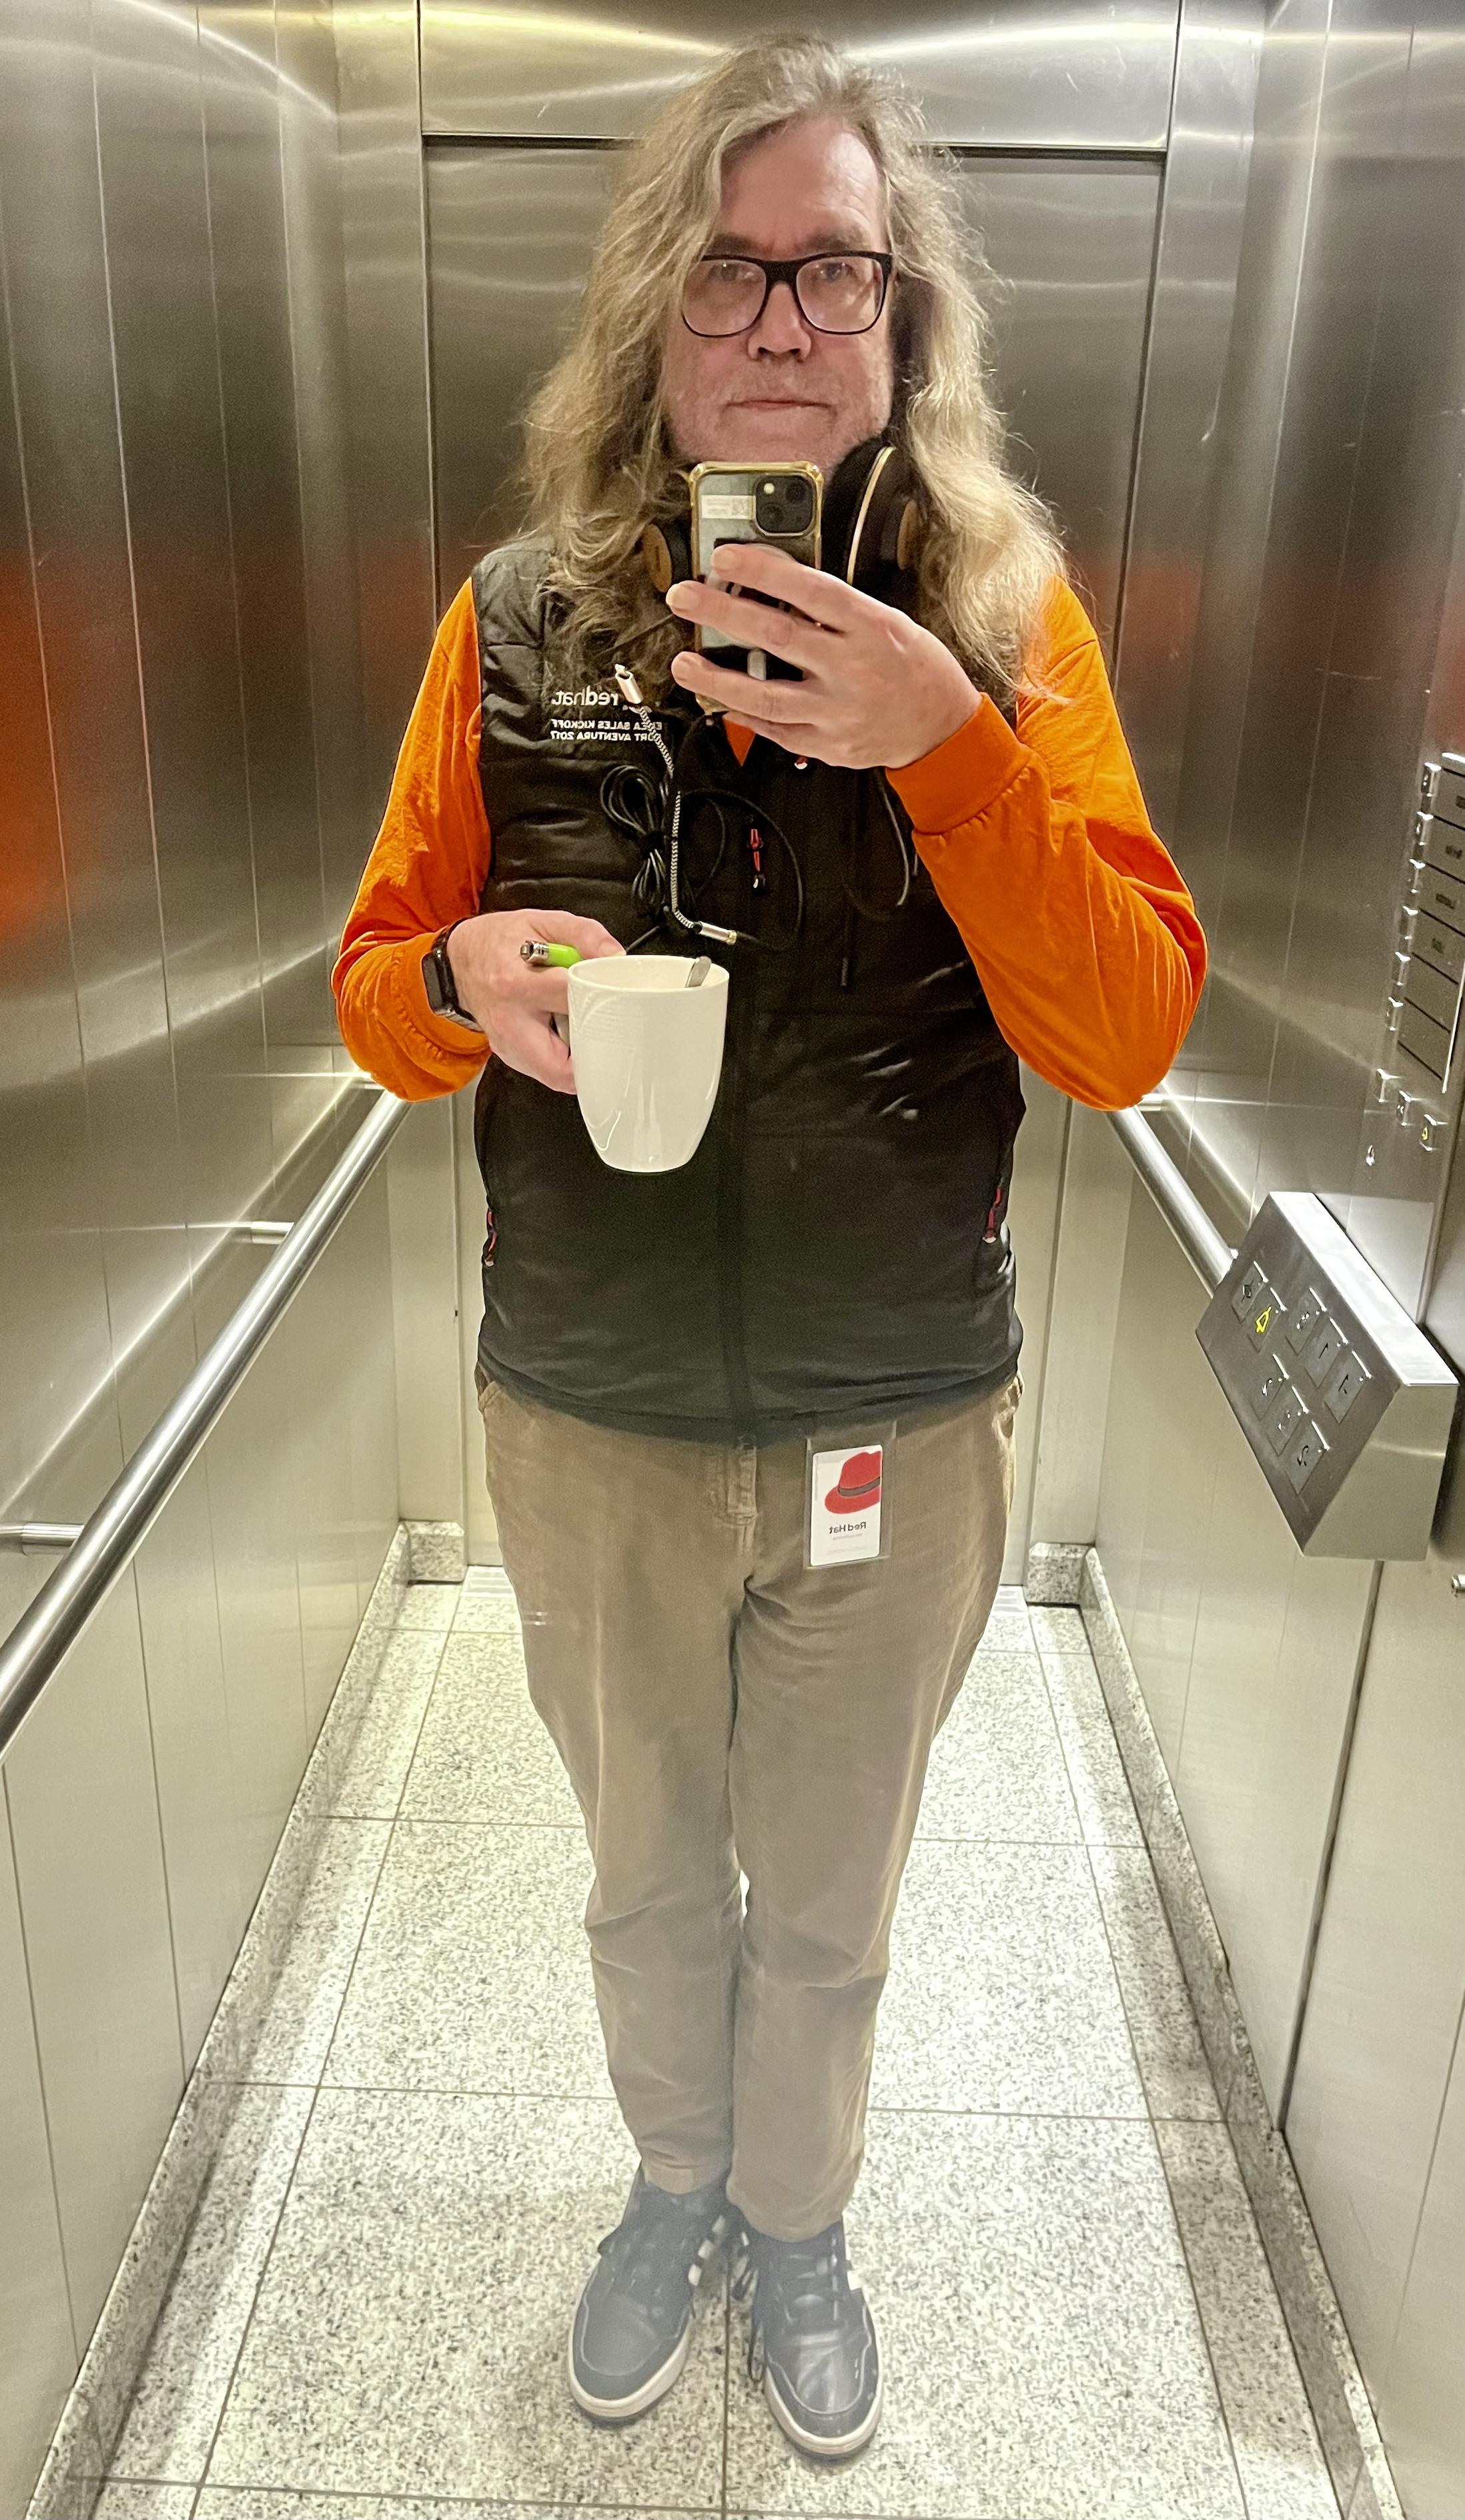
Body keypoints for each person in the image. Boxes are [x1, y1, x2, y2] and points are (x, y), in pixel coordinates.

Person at [334, 34, 1206, 2463]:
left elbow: (1127, 1031)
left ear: (905, 323)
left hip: (891, 1416)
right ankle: (671, 2179)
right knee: (642, 1880)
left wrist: (943, 742)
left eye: (838, 270)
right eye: (730, 272)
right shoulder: (510, 624)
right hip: (589, 1406)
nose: (785, 318)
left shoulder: (1010, 634)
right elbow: (376, 990)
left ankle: (795, 2218)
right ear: (658, 318)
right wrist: (453, 984)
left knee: (826, 1893)